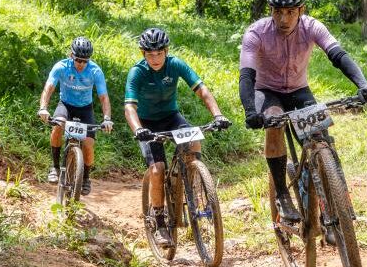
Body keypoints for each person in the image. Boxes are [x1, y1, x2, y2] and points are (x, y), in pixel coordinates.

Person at [239, 0, 367, 229]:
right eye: (278, 12)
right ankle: (282, 194)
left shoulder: (313, 27)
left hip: (299, 90)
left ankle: (337, 204)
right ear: (271, 10)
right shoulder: (256, 33)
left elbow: (338, 55)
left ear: (301, 10)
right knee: (274, 123)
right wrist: (250, 110)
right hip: (267, 91)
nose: (284, 19)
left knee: (320, 138)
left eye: (290, 12)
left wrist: (363, 84)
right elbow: (247, 76)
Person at [124, 27, 231, 248]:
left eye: (159, 53)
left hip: (171, 117)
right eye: (150, 54)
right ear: (143, 53)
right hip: (147, 124)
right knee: (158, 169)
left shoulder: (176, 64)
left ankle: (192, 178)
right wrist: (137, 129)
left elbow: (202, 89)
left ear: (166, 51)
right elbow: (129, 108)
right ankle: (159, 218)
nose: (155, 58)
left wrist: (218, 114)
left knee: (194, 140)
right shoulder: (138, 72)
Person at [38, 36, 113, 196]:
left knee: (88, 144)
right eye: (78, 60)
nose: (81, 64)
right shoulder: (61, 67)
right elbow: (48, 88)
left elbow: (103, 97)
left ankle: (85, 177)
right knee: (58, 125)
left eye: (85, 61)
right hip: (65, 105)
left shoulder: (95, 71)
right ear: (71, 55)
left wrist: (107, 118)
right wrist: (43, 108)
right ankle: (55, 166)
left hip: (85, 109)